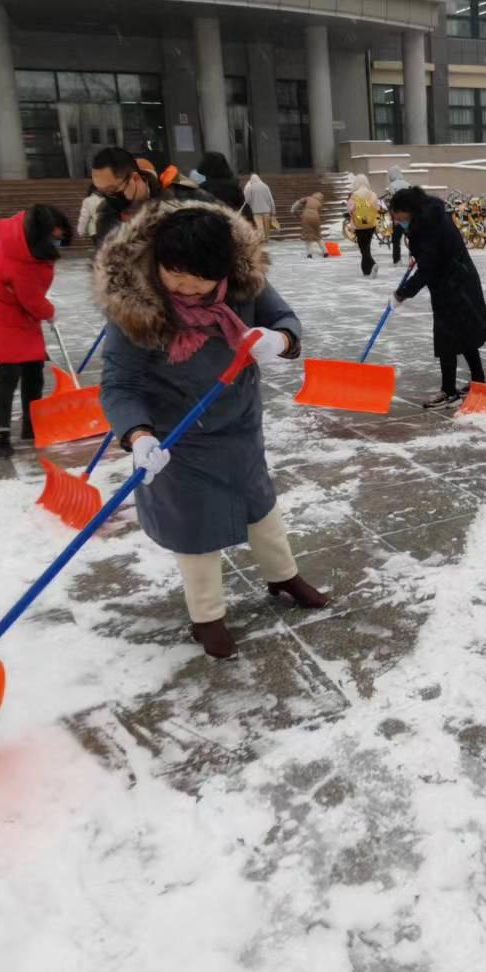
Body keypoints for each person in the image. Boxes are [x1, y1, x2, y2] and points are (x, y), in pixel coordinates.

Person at [95, 199, 327, 660]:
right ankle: (206, 617)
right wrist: (138, 436)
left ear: (222, 269)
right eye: (175, 273)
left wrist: (279, 340)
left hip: (239, 421)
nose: (185, 286)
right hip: (178, 436)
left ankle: (283, 576)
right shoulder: (137, 306)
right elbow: (119, 384)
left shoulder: (243, 283)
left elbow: (285, 319)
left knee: (260, 506)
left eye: (198, 278)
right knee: (194, 526)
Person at [0, 203, 71, 455]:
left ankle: (32, 425)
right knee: (9, 371)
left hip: (19, 310)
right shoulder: (21, 260)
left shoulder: (25, 240)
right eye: (54, 241)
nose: (57, 245)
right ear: (40, 236)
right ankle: (1, 434)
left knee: (34, 368)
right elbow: (31, 299)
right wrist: (50, 312)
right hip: (0, 313)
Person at [390, 185, 486, 406]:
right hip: (459, 280)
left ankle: (448, 391)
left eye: (398, 216)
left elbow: (428, 268)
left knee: (447, 338)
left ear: (410, 209)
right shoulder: (430, 216)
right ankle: (479, 380)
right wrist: (416, 253)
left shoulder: (429, 225)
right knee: (463, 333)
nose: (397, 221)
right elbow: (428, 253)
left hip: (453, 285)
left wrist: (402, 293)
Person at [90, 146, 209, 247]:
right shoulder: (107, 215)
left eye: (112, 190)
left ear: (135, 178)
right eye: (102, 192)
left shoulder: (185, 199)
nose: (109, 198)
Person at [348, 174, 381, 276]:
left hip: (358, 225)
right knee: (366, 247)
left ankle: (372, 265)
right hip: (371, 224)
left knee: (363, 248)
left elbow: (350, 209)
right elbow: (378, 208)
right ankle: (368, 270)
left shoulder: (354, 195)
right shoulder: (372, 194)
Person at [292, 189, 326, 257]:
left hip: (306, 217)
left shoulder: (308, 198)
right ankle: (325, 252)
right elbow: (320, 212)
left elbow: (299, 202)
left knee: (308, 235)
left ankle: (309, 253)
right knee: (318, 235)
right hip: (316, 217)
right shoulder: (319, 203)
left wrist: (293, 209)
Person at [386, 166, 410, 264]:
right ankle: (414, 257)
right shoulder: (408, 184)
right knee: (412, 238)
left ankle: (397, 259)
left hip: (398, 217)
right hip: (408, 216)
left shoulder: (392, 186)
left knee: (396, 239)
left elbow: (392, 202)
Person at [242, 173, 277, 238]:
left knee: (260, 227)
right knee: (267, 228)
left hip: (256, 211)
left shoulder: (250, 187)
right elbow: (270, 199)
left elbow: (247, 200)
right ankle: (267, 239)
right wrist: (273, 211)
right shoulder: (265, 186)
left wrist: (248, 208)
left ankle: (262, 239)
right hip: (266, 211)